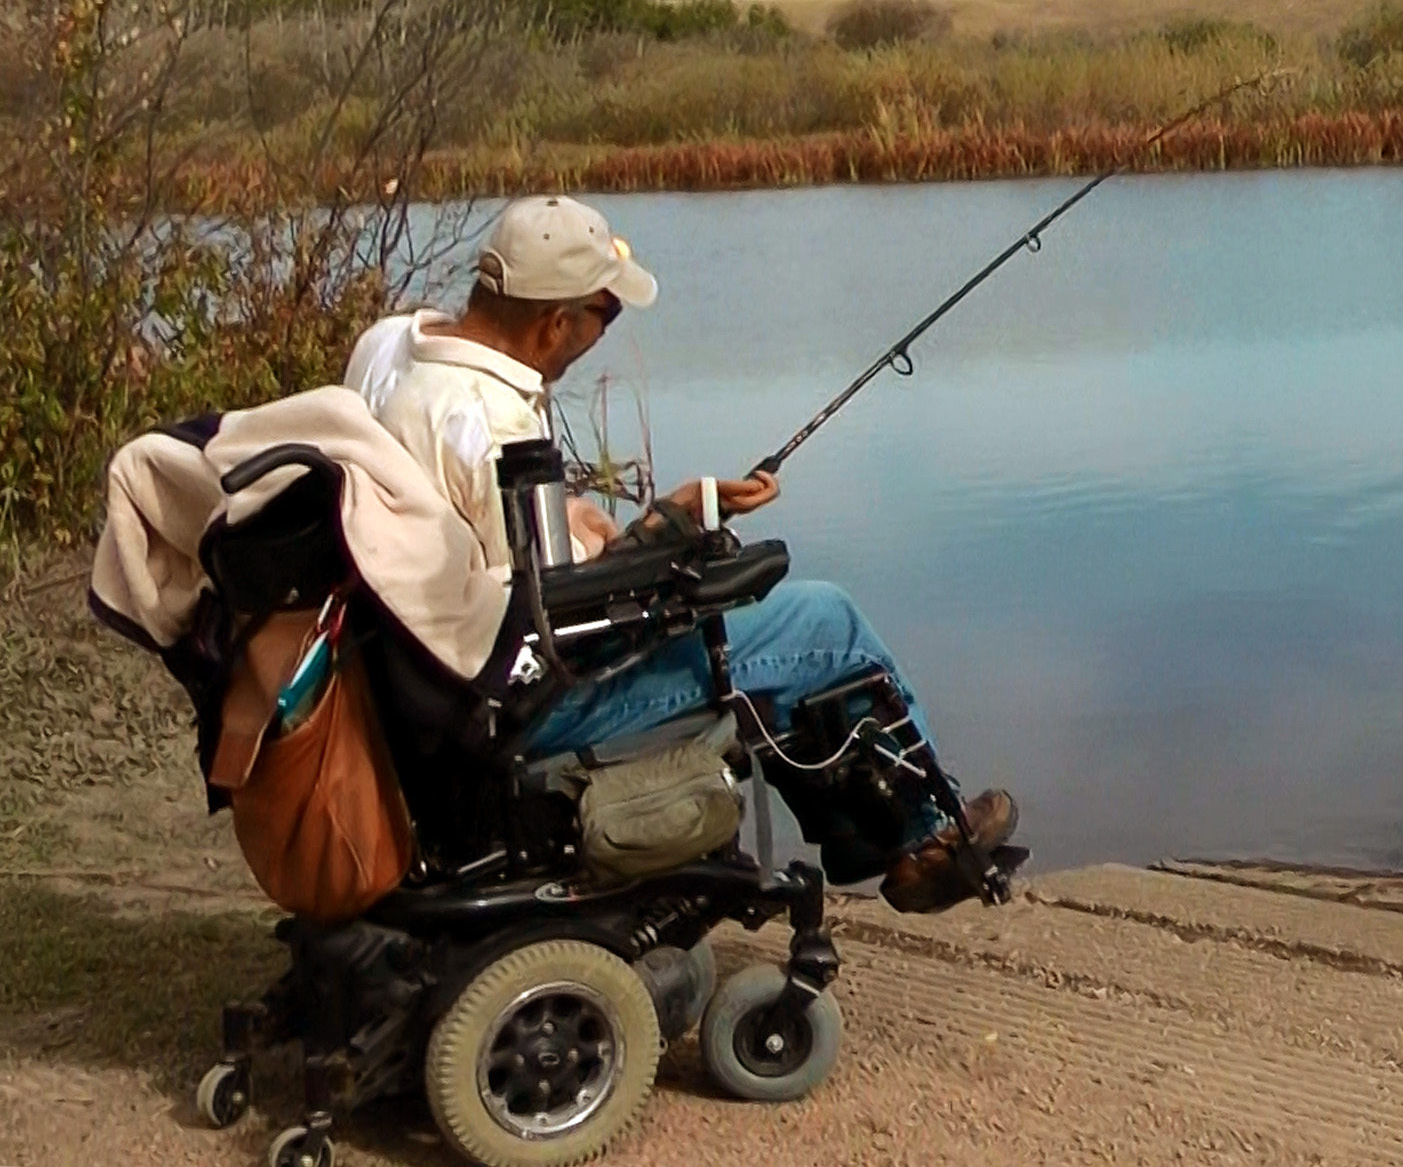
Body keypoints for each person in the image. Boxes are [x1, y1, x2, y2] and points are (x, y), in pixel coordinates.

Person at [344, 194, 1017, 912]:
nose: (606, 332)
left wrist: (684, 507)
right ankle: (926, 834)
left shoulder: (389, 351)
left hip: (430, 677)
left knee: (776, 634)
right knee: (826, 623)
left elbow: (485, 535)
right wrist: (668, 546)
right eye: (607, 315)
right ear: (554, 322)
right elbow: (555, 610)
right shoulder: (490, 423)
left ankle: (861, 832)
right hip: (528, 703)